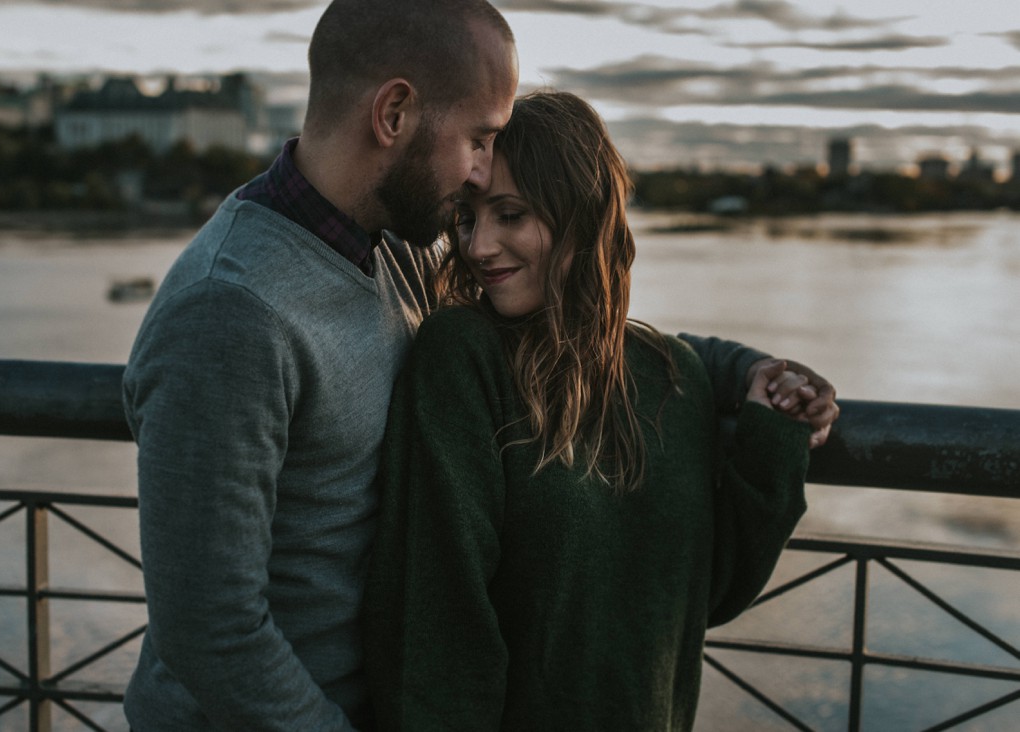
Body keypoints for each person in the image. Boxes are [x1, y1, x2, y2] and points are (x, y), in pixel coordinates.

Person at [121, 1, 836, 729]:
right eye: (479, 137)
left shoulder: (392, 247)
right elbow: (210, 631)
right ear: (394, 113)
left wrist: (746, 370)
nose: (482, 168)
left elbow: (585, 324)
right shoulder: (228, 313)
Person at [362, 90, 822, 731]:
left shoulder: (675, 375)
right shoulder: (463, 355)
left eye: (511, 215)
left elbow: (708, 595)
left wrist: (776, 430)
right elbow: (435, 622)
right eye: (466, 218)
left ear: (582, 213)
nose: (478, 246)